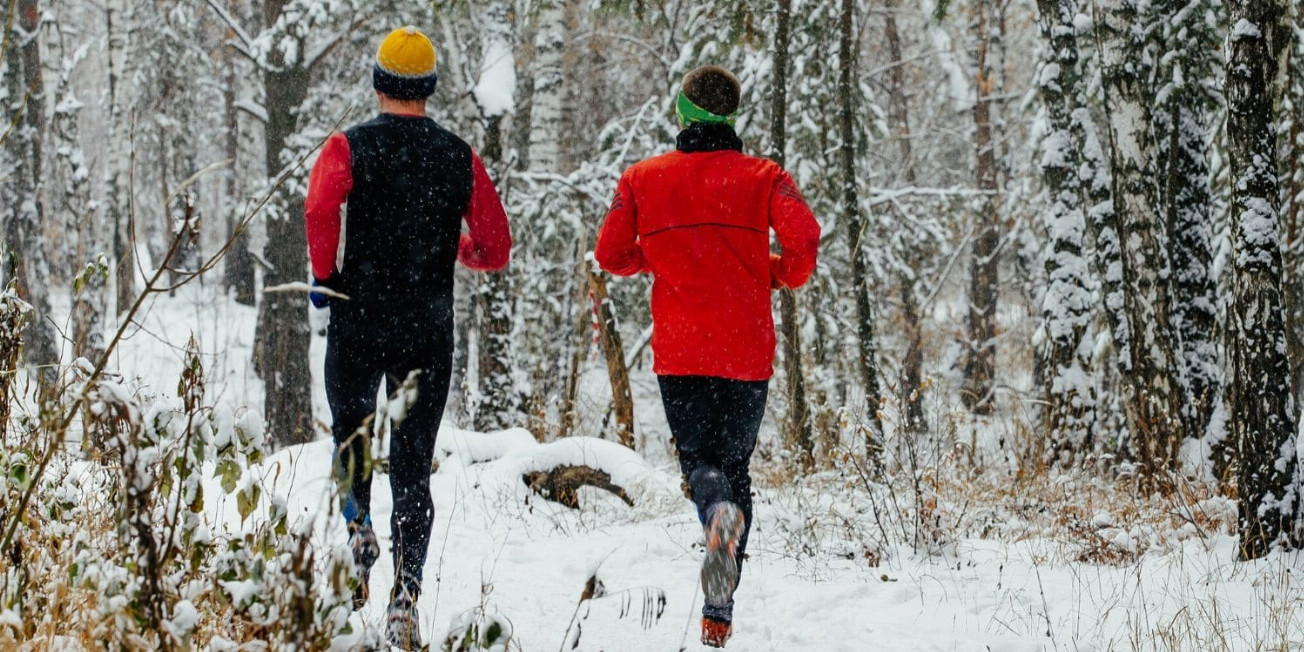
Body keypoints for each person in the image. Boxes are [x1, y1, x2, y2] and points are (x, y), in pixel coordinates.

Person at [594, 65, 820, 648]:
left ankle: (716, 515)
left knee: (701, 466)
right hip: (745, 352)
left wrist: (663, 260)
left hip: (683, 350)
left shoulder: (641, 178)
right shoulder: (766, 176)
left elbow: (611, 253)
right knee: (734, 464)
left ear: (683, 114)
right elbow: (805, 239)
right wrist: (776, 273)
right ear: (731, 117)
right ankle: (720, 608)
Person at [304, 26, 511, 650]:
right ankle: (405, 601)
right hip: (425, 327)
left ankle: (358, 529)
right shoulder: (458, 156)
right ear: (431, 89)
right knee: (414, 468)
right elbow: (496, 246)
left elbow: (319, 208)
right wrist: (459, 250)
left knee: (352, 433)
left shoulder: (347, 146)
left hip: (358, 316)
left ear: (378, 82)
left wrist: (324, 275)